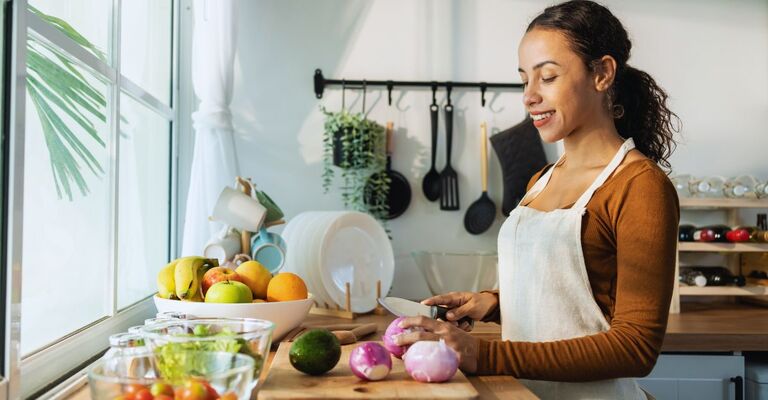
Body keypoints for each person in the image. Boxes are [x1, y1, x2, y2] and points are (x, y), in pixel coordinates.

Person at [394, 1, 681, 399]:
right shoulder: (542, 180)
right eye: (524, 79)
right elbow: (557, 297)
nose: (529, 96)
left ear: (602, 74)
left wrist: (485, 354)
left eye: (547, 76)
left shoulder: (639, 185)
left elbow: (636, 348)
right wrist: (490, 302)